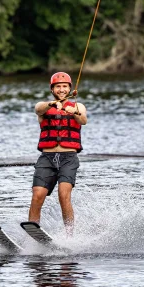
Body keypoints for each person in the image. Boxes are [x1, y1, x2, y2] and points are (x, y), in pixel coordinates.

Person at [29, 72, 87, 235]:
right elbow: (39, 109)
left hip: (68, 158)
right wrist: (54, 105)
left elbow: (83, 120)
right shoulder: (43, 106)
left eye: (64, 86)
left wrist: (71, 110)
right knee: (37, 195)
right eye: (58, 86)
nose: (61, 89)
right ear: (52, 89)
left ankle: (69, 235)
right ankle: (32, 234)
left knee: (63, 194)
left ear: (70, 89)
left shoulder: (78, 106)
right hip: (47, 158)